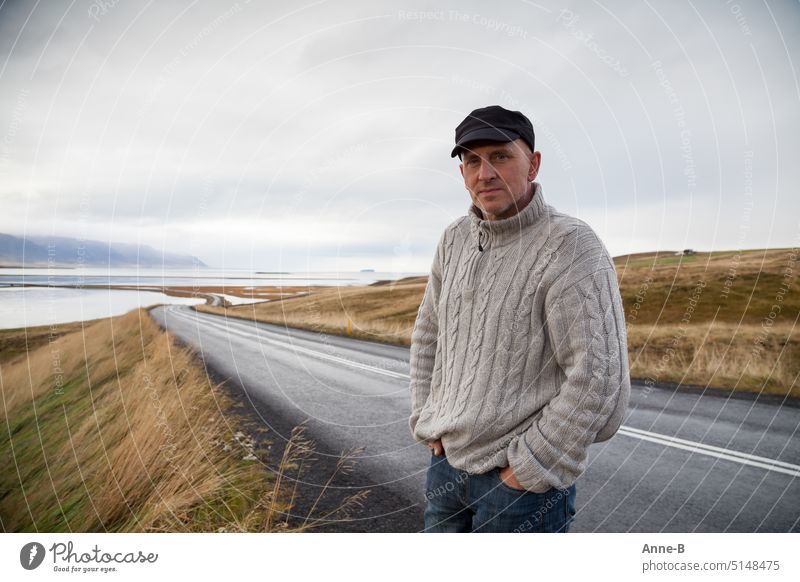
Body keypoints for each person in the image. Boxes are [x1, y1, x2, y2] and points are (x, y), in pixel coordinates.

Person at [408, 105, 630, 533]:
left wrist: (530, 466)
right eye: (471, 160)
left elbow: (600, 376)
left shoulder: (571, 246)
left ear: (534, 164)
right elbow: (428, 336)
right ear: (462, 172)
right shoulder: (453, 239)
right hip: (445, 470)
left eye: (500, 156)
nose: (484, 172)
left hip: (519, 490)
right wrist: (426, 418)